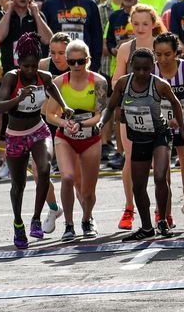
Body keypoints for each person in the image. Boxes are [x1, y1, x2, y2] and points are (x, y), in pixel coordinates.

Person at [98, 47, 184, 240]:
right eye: (138, 69)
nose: (142, 73)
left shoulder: (159, 84)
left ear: (152, 67)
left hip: (160, 135)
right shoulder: (124, 84)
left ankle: (163, 221)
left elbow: (175, 103)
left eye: (146, 69)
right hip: (139, 137)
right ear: (131, 66)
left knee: (160, 177)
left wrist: (182, 130)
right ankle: (147, 227)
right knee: (138, 186)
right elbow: (111, 106)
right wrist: (102, 122)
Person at [0, 33, 72, 248]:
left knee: (44, 168)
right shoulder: (12, 77)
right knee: (18, 185)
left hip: (38, 130)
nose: (30, 71)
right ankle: (18, 223)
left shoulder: (44, 76)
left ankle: (37, 218)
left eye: (33, 66)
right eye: (26, 66)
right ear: (19, 63)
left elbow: (52, 88)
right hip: (15, 135)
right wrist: (18, 98)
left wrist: (64, 106)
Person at [43, 39, 107, 240]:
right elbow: (49, 114)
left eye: (81, 61)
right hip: (66, 138)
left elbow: (100, 114)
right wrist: (64, 123)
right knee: (68, 178)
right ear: (67, 62)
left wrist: (85, 124)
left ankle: (87, 219)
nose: (77, 66)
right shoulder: (60, 82)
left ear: (88, 60)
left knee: (88, 191)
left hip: (90, 138)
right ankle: (68, 224)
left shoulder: (98, 82)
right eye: (72, 62)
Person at [110, 4, 165, 231]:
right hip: (132, 112)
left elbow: (170, 75)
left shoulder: (162, 45)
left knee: (160, 163)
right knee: (130, 158)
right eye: (136, 24)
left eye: (145, 23)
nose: (140, 28)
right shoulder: (126, 47)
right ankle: (129, 207)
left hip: (158, 111)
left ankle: (163, 210)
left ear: (154, 24)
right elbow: (115, 80)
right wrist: (127, 93)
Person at [152, 33, 184, 229]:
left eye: (167, 54)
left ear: (176, 53)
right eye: (158, 55)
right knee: (162, 177)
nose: (162, 59)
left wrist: (182, 116)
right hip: (159, 129)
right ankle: (164, 214)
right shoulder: (152, 70)